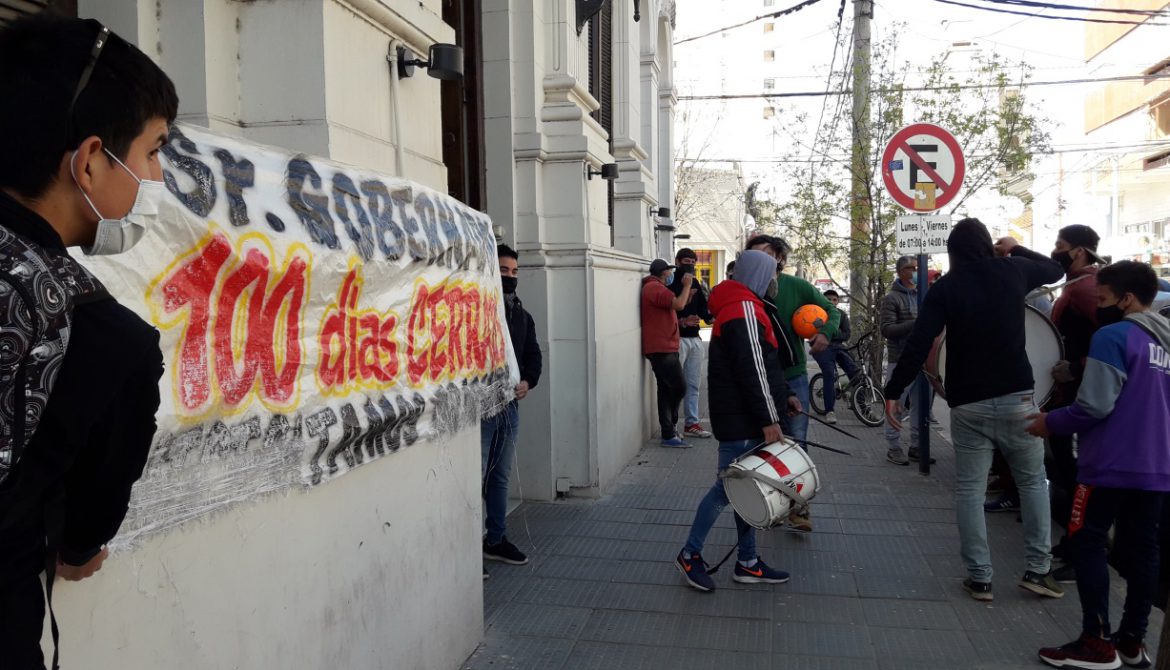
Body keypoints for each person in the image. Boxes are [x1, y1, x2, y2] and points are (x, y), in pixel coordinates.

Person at [0, 17, 178, 669]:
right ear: (91, 159)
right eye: (155, 150)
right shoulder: (106, 338)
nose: (158, 175)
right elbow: (86, 531)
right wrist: (76, 548)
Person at [884, 218, 1065, 603]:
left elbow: (919, 342)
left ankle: (980, 579)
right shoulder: (1014, 270)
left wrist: (893, 392)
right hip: (1018, 399)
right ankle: (1038, 570)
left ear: (952, 251)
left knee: (969, 490)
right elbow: (1056, 269)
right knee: (1033, 482)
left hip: (968, 404)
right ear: (988, 246)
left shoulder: (946, 287)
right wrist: (1013, 248)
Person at [1026, 261, 1170, 669]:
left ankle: (1095, 642)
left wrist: (1048, 421)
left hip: (1108, 463)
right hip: (1158, 467)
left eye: (1103, 298)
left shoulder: (1113, 335)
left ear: (1125, 299)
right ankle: (1131, 642)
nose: (1098, 306)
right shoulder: (1166, 343)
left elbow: (1095, 405)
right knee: (1144, 551)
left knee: (1086, 540)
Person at [675, 250, 800, 592]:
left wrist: (785, 393)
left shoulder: (740, 304)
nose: (775, 281)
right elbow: (752, 370)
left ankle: (747, 562)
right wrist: (769, 418)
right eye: (772, 274)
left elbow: (763, 365)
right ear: (758, 276)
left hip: (742, 416)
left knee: (744, 490)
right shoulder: (744, 308)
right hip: (744, 420)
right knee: (726, 490)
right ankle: (690, 555)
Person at [743, 234, 839, 532]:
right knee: (760, 443)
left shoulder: (796, 286)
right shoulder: (744, 290)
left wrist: (826, 333)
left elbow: (832, 310)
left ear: (780, 259)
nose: (762, 257)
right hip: (757, 378)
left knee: (796, 442)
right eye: (755, 252)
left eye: (768, 253)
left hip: (792, 375)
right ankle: (768, 504)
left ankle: (800, 507)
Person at [481, 245, 543, 568]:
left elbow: (534, 355)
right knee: (475, 477)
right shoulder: (479, 310)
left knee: (500, 476)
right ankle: (468, 549)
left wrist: (527, 382)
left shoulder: (521, 315)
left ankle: (495, 539)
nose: (510, 277)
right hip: (481, 409)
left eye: (515, 272)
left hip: (509, 407)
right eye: (504, 271)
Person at [880, 255, 927, 465]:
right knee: (896, 404)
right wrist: (914, 324)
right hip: (899, 359)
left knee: (921, 405)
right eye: (910, 268)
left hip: (925, 360)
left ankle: (917, 445)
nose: (915, 272)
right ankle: (894, 446)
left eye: (916, 268)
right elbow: (887, 329)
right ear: (900, 272)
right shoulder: (892, 298)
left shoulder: (924, 294)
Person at [642, 258, 692, 447]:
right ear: (663, 273)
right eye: (669, 272)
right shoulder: (655, 288)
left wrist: (680, 323)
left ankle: (668, 432)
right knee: (679, 387)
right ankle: (670, 427)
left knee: (665, 389)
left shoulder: (654, 288)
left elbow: (671, 309)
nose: (671, 275)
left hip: (663, 346)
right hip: (662, 349)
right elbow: (678, 304)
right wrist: (686, 285)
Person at [670, 248, 713, 439]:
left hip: (695, 340)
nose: (690, 265)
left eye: (693, 261)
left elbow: (704, 310)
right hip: (677, 339)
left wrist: (713, 318)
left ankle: (691, 424)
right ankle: (671, 426)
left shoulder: (695, 282)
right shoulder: (670, 282)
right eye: (686, 261)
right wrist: (682, 321)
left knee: (693, 384)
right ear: (678, 262)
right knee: (675, 385)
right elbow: (668, 310)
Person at [810, 289, 860, 425]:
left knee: (855, 372)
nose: (832, 302)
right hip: (821, 348)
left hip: (838, 347)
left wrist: (829, 331)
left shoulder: (842, 315)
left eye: (834, 299)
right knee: (829, 374)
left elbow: (846, 335)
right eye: (828, 299)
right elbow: (810, 332)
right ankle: (829, 411)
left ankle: (864, 408)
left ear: (837, 302)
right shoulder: (815, 314)